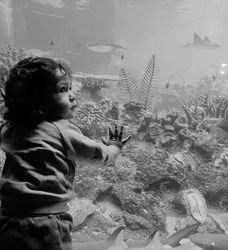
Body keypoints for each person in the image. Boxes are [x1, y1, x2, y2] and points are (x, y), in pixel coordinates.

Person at [0, 57, 131, 250]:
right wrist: (115, 147)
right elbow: (99, 155)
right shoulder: (62, 130)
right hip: (47, 223)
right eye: (63, 89)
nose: (72, 95)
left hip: (7, 219)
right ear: (35, 100)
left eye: (70, 88)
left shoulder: (9, 128)